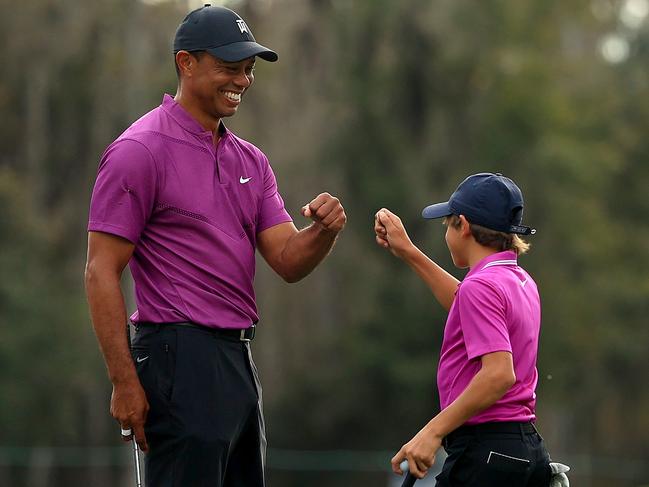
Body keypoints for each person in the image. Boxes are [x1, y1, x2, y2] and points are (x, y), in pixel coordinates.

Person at [84, 5, 346, 486]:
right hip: (176, 358)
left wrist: (323, 231)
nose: (242, 80)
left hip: (239, 361)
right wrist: (124, 382)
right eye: (229, 67)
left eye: (247, 70)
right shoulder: (139, 151)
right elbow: (100, 271)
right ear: (186, 63)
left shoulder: (252, 160)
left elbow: (287, 259)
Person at [375, 173, 551, 486]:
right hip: (527, 450)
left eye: (447, 225)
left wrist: (432, 432)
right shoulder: (518, 280)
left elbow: (499, 374)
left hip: (486, 451)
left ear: (464, 226)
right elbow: (464, 302)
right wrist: (408, 251)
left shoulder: (481, 287)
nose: (447, 235)